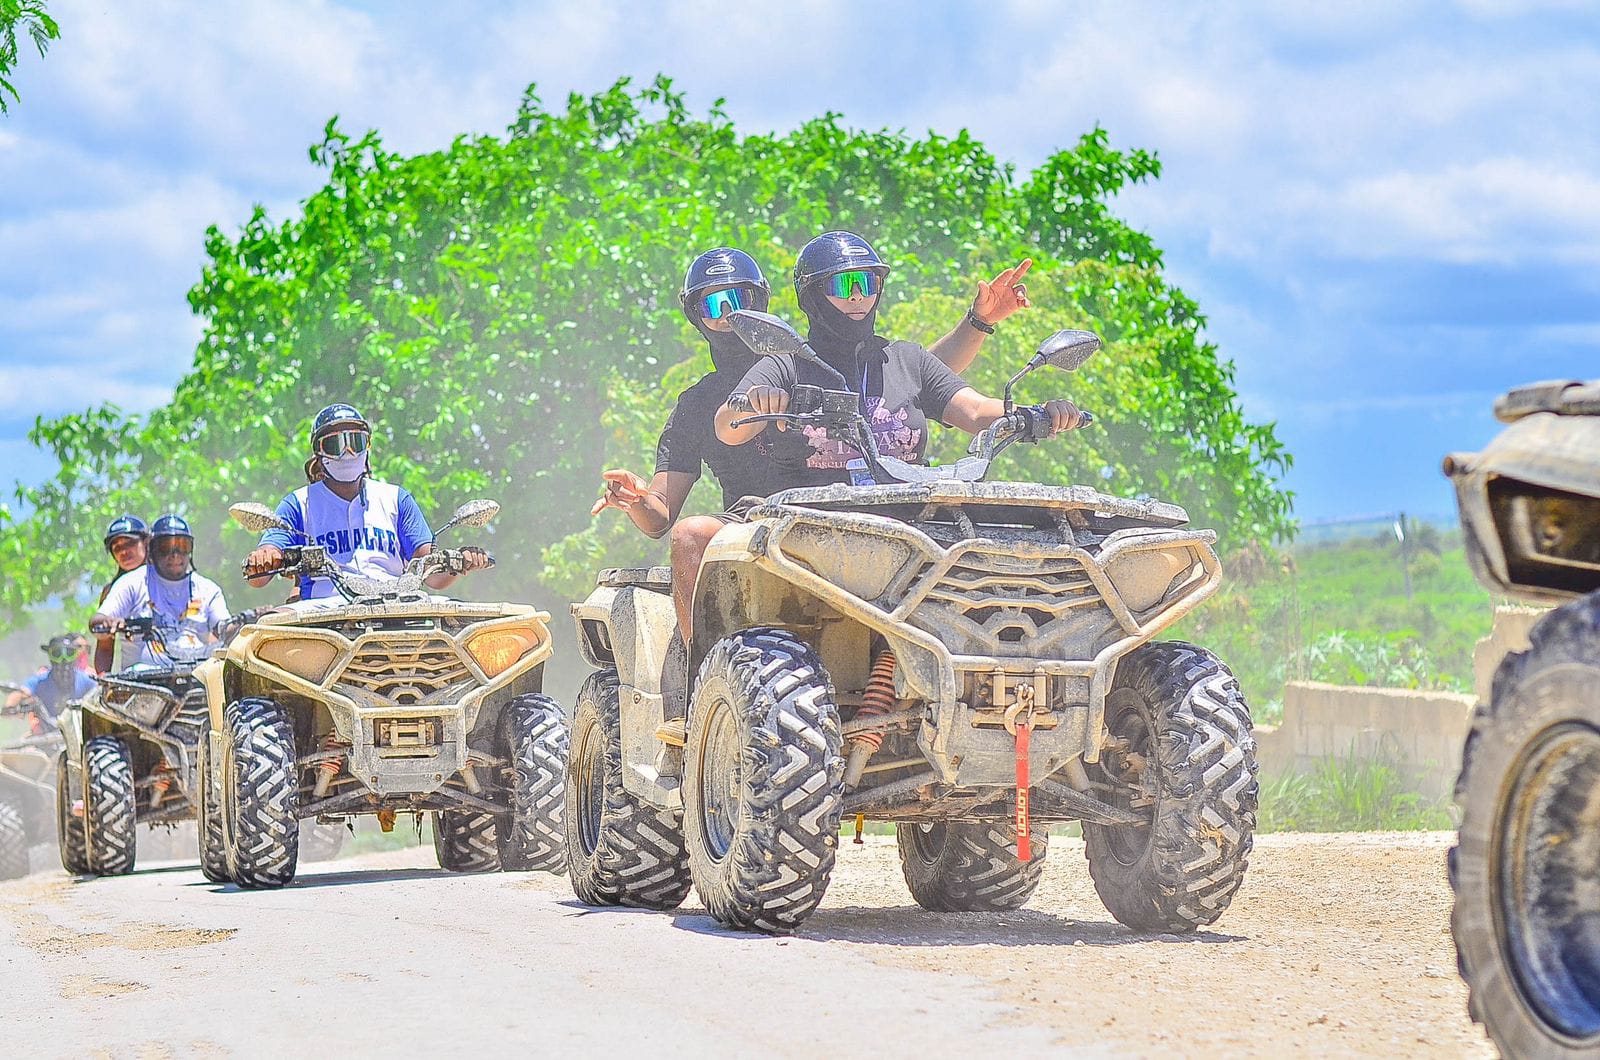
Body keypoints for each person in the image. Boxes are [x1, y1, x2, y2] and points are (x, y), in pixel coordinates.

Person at [591, 247, 1036, 637]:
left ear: (762, 302)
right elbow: (666, 507)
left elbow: (909, 383)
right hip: (761, 515)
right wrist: (636, 499)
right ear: (695, 316)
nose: (729, 315)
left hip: (847, 505)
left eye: (740, 300)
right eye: (714, 305)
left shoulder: (810, 359)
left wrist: (981, 329)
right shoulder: (712, 396)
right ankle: (702, 679)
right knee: (692, 534)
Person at [241, 404, 490, 599]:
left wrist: (459, 562)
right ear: (319, 452)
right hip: (323, 611)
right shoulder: (298, 503)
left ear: (368, 447)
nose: (347, 453)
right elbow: (259, 576)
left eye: (356, 442)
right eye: (335, 444)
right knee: (256, 643)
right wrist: (265, 556)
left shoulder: (396, 498)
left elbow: (431, 574)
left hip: (399, 606)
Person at [91, 515, 230, 670]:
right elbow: (102, 639)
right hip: (142, 684)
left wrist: (240, 628)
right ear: (153, 548)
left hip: (196, 677)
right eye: (165, 547)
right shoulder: (128, 584)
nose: (175, 554)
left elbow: (224, 630)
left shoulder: (208, 589)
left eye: (182, 546)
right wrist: (107, 623)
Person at [4, 634, 97, 733]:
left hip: (79, 733)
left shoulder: (86, 680)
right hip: (47, 735)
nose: (64, 660)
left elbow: (99, 693)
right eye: (57, 654)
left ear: (75, 655)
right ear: (50, 656)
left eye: (69, 653)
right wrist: (11, 707)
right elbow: (21, 693)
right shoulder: (40, 682)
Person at [95, 514, 150, 671]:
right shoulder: (111, 591)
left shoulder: (168, 579)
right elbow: (105, 646)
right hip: (136, 679)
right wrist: (104, 682)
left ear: (146, 543)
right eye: (117, 548)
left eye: (130, 543)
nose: (124, 552)